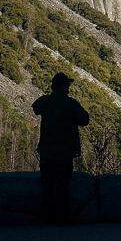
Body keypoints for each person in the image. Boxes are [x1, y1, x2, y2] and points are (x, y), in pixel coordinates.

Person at [32, 72, 89, 224]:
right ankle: (63, 217)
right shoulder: (71, 103)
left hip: (47, 150)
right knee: (63, 185)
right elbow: (85, 120)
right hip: (65, 150)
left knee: (47, 184)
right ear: (63, 87)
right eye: (67, 85)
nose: (69, 88)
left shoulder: (46, 101)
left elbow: (35, 108)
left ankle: (46, 217)